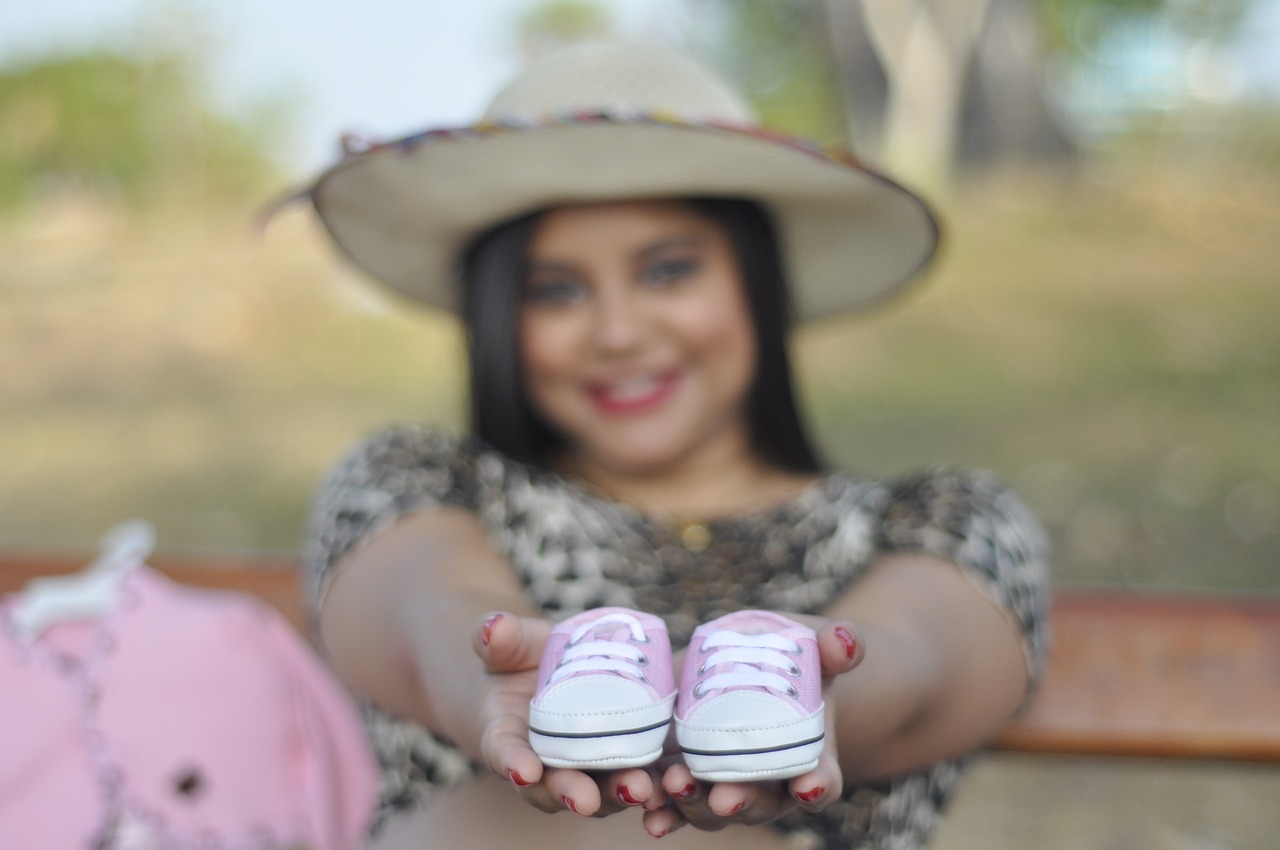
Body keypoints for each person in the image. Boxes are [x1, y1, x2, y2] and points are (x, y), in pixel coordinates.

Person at [294, 41, 1050, 850]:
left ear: (752, 279)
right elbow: (430, 609)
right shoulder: (415, 484)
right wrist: (493, 677)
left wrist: (809, 710)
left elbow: (913, 655)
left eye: (668, 271)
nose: (619, 333)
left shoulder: (941, 523)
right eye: (556, 290)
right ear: (498, 319)